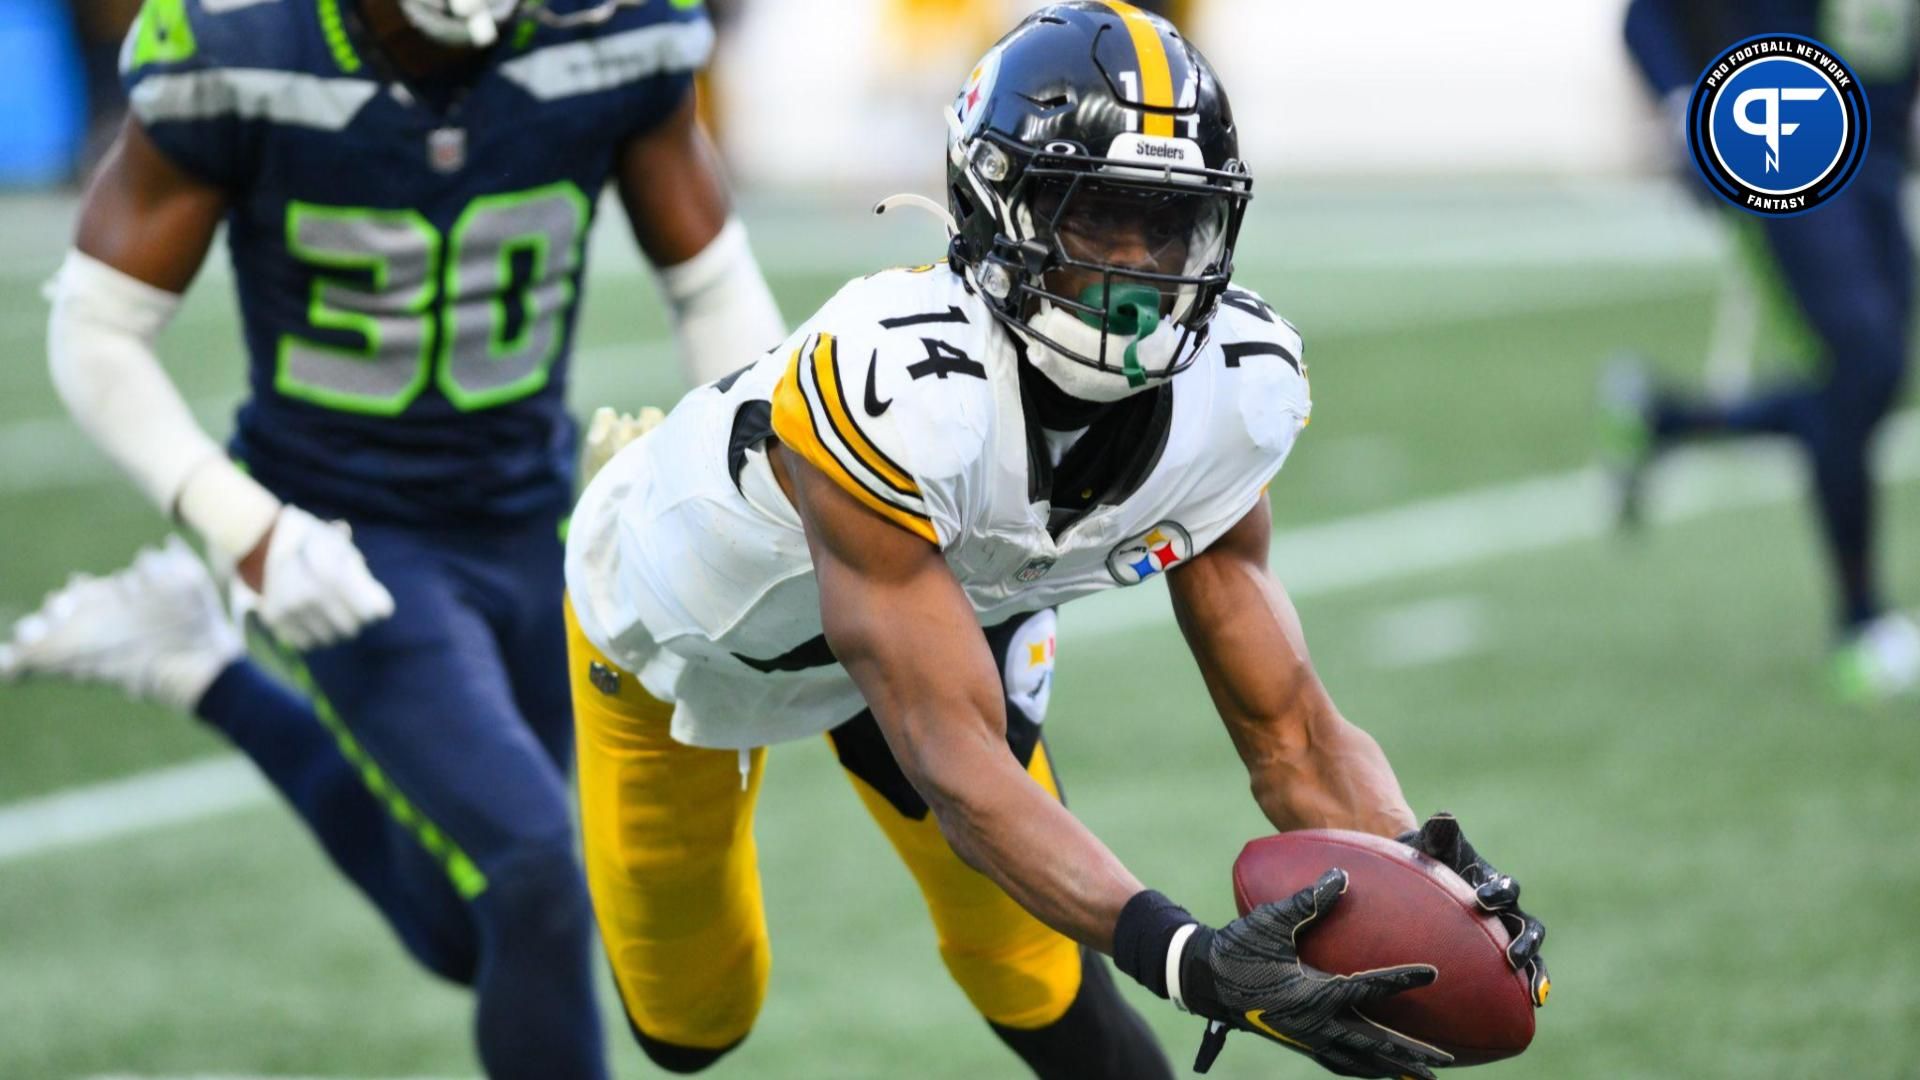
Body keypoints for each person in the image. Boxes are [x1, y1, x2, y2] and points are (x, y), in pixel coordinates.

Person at [561, 4, 1550, 1077]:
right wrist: (1183, 955)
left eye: (1167, 225)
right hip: (686, 636)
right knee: (695, 1023)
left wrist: (1421, 872)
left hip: (945, 607)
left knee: (1028, 966)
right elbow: (957, 763)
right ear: (998, 208)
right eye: (1099, 220)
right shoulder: (901, 381)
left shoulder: (1236, 386)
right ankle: (636, 480)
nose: (1139, 272)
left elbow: (1296, 737)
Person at [0, 0, 783, 1076]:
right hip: (340, 532)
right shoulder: (243, 46)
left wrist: (757, 488)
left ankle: (197, 666)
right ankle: (207, 633)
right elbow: (97, 325)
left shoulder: (609, 31)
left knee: (492, 922)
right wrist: (250, 533)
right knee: (534, 876)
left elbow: (710, 281)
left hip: (532, 511)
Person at [1610, 0, 1919, 701]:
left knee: (1871, 384)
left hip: (1880, 157)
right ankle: (1860, 623)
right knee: (1865, 362)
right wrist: (1686, 110)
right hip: (1786, 144)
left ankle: (1668, 420)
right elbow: (1647, 14)